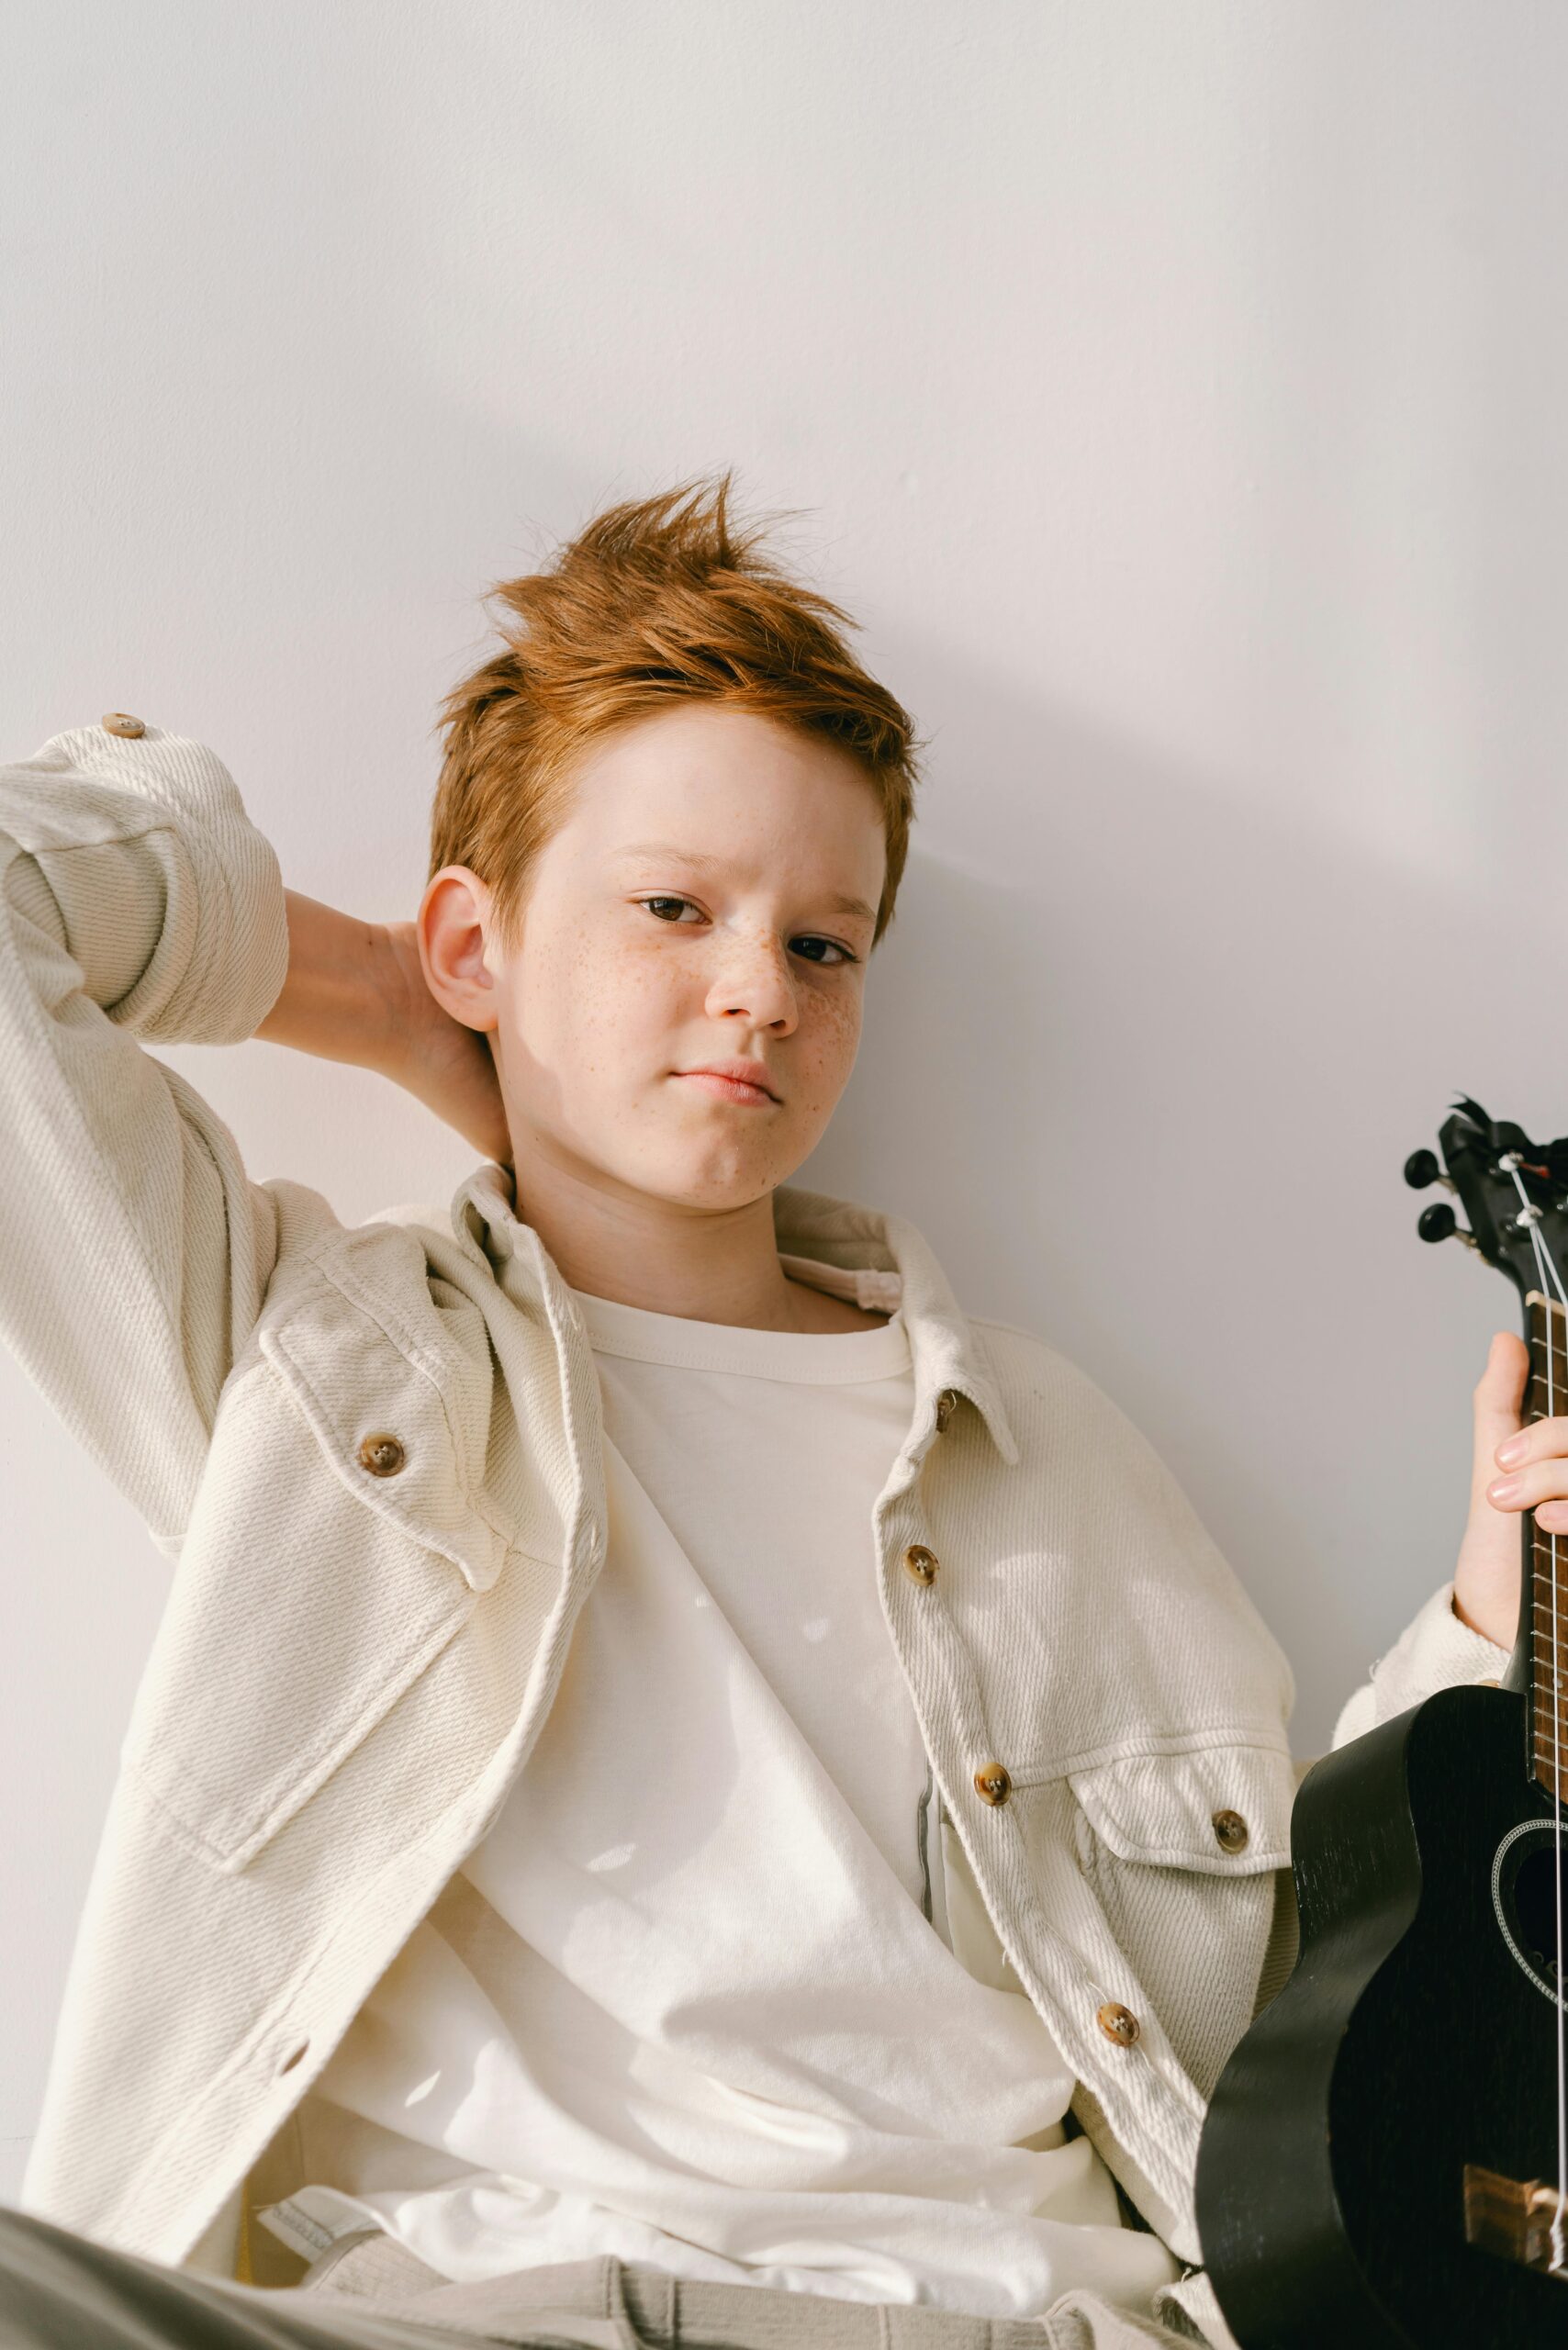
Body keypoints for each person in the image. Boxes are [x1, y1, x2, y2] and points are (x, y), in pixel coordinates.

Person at [0, 477, 1548, 2350]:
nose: (758, 990)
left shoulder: (1036, 1450)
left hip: (1010, 2318)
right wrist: (398, 1006)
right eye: (672, 908)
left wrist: (1489, 1608)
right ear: (475, 938)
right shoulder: (322, 1368)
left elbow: (1303, 1994)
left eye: (826, 943)